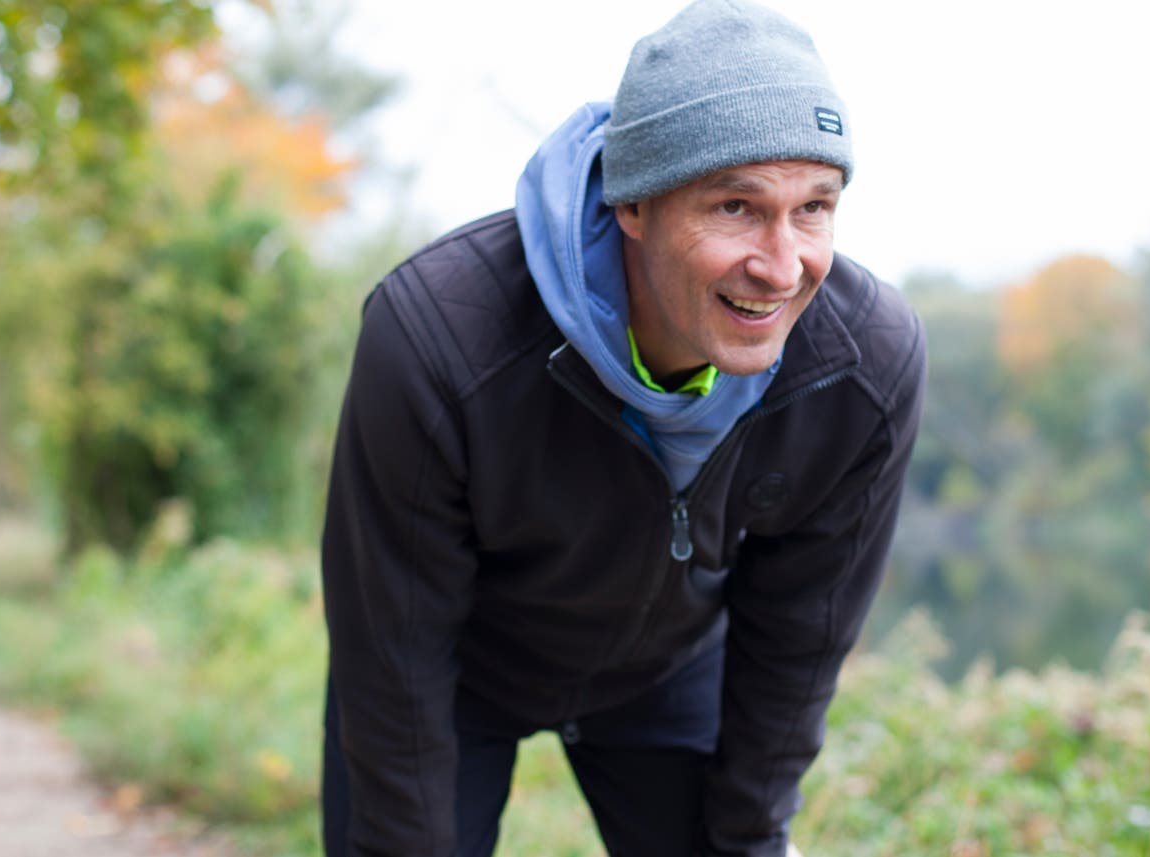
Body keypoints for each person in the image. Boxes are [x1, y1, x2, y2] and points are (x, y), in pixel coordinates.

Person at [318, 1, 925, 854]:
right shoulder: (437, 340)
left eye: (814, 207)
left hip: (667, 666)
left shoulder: (861, 369)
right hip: (452, 672)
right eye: (736, 207)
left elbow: (797, 643)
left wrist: (748, 836)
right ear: (632, 203)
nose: (783, 265)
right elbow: (395, 653)